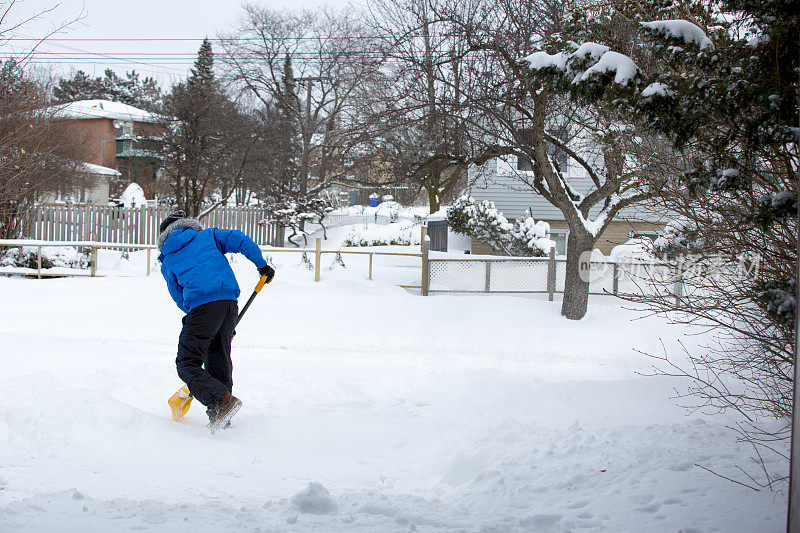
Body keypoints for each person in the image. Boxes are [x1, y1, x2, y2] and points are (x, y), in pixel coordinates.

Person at [157, 210, 275, 430]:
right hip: (229, 305)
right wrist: (261, 265)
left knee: (187, 363)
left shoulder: (168, 258)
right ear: (188, 225)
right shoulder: (208, 236)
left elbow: (178, 296)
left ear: (164, 235)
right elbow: (240, 240)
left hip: (201, 309)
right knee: (217, 357)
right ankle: (220, 417)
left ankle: (222, 402)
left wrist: (200, 315)